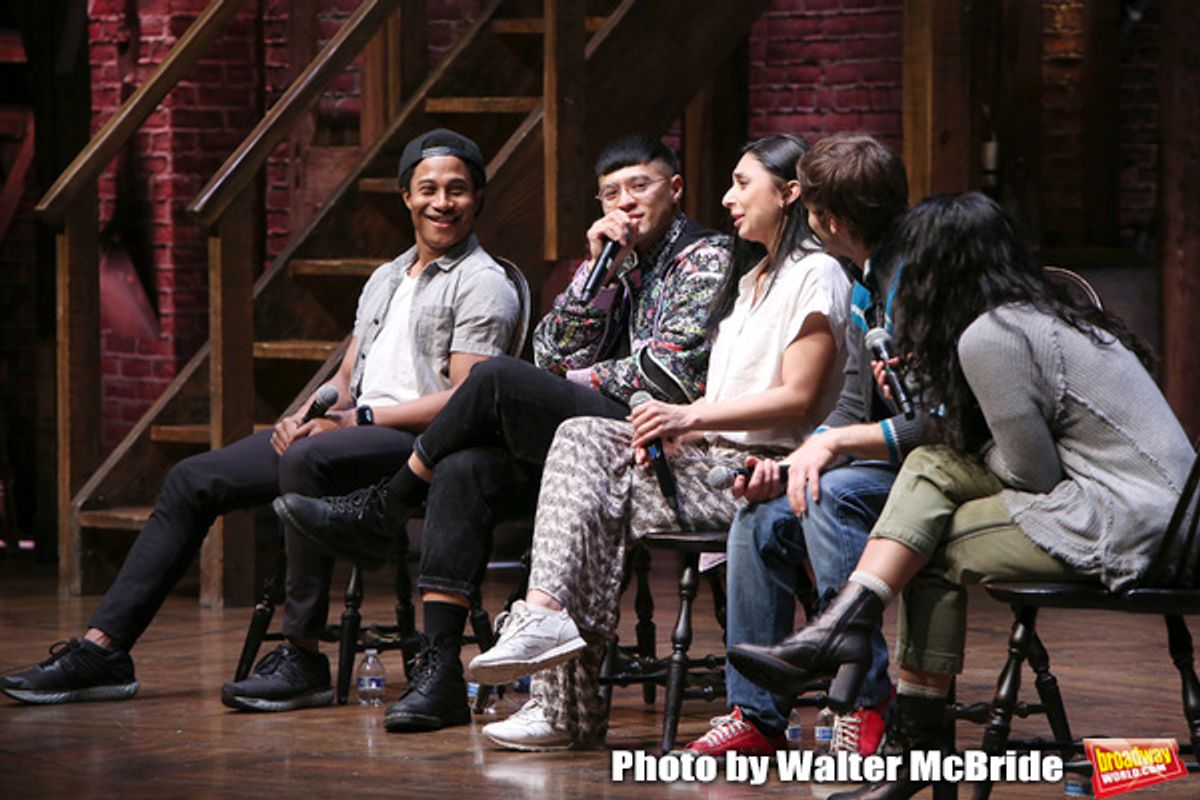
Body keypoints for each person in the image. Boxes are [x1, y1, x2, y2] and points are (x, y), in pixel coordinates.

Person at [1, 129, 520, 712]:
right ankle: (104, 649)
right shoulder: (385, 277)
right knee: (192, 478)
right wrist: (310, 410)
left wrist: (355, 420)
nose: (441, 202)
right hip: (351, 428)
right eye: (428, 189)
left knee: (308, 457)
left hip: (419, 447)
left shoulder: (483, 283)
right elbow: (349, 371)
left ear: (477, 197)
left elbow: (463, 398)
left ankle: (301, 656)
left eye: (457, 190)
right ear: (405, 196)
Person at [729, 191, 1194, 800]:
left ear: (940, 268)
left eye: (916, 264)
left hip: (1135, 526)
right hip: (1167, 512)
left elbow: (1032, 475)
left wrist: (960, 444)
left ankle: (910, 746)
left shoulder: (992, 336)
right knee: (929, 468)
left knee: (930, 546)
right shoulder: (1034, 314)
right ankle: (848, 631)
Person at [274, 134, 731, 732]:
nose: (625, 205)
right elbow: (549, 351)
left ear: (673, 190)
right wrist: (593, 281)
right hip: (588, 441)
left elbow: (668, 373)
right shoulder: (614, 266)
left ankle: (391, 502)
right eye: (611, 194)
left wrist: (577, 375)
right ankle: (438, 675)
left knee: (492, 380)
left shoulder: (705, 257)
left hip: (661, 439)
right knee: (465, 469)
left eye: (639, 188)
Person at [467, 134, 852, 752]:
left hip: (768, 470)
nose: (727, 199)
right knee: (586, 465)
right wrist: (600, 283)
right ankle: (550, 651)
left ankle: (561, 697)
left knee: (588, 466)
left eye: (741, 184)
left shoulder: (817, 273)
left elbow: (798, 400)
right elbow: (551, 354)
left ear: (789, 194)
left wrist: (687, 419)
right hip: (709, 460)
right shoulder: (750, 281)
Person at [681, 132, 925, 758]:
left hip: (920, 465)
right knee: (759, 516)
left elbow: (937, 422)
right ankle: (755, 714)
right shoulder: (867, 280)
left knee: (825, 493)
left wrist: (819, 449)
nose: (729, 198)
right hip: (874, 453)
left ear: (820, 213)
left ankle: (863, 700)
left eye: (743, 183)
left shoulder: (871, 279)